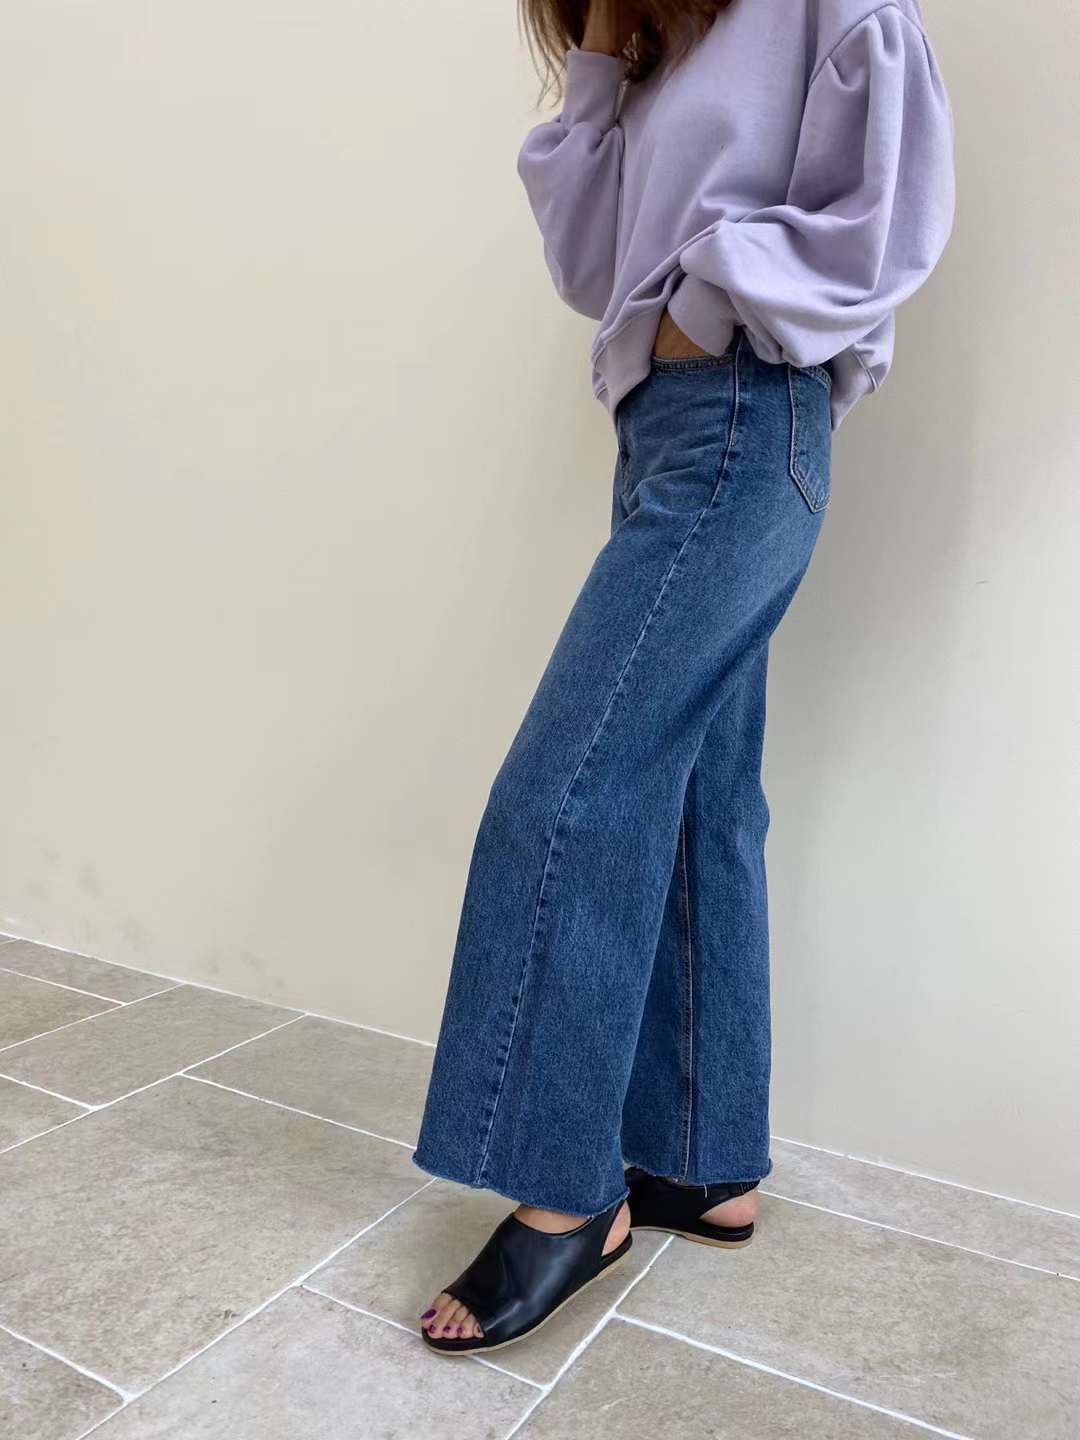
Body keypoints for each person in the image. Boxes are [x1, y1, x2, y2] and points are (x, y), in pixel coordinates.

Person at [411, 0, 955, 1355]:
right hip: (667, 441)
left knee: (569, 793)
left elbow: (884, 219)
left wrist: (711, 294)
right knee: (701, 799)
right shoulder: (659, 48)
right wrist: (603, 54)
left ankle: (566, 1192)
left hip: (746, 422)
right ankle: (706, 1165)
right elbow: (593, 267)